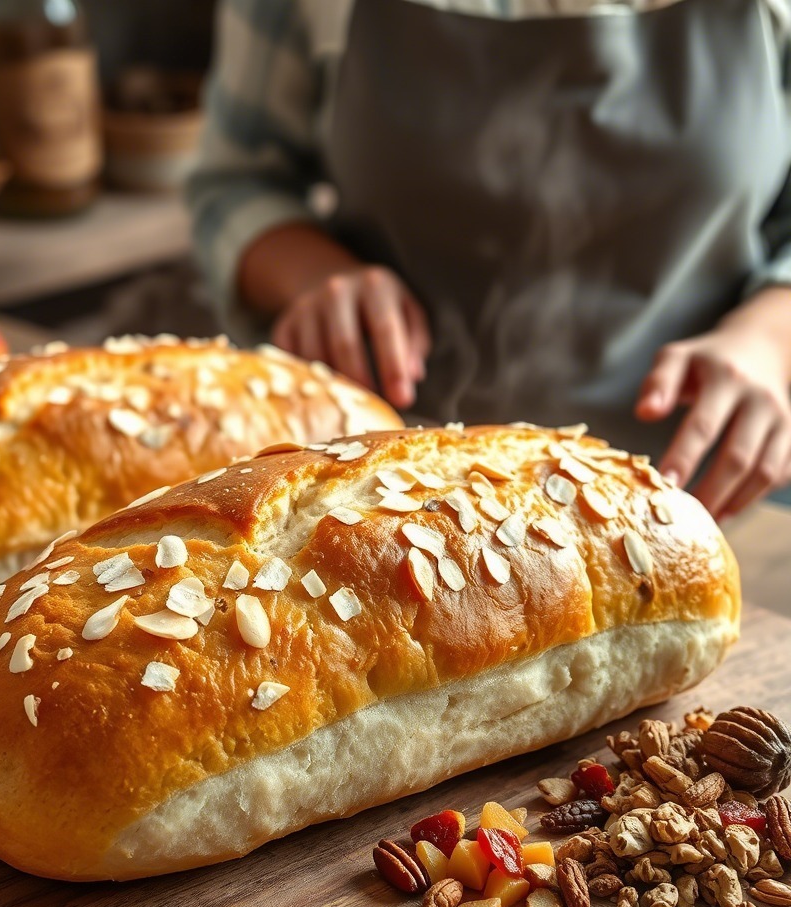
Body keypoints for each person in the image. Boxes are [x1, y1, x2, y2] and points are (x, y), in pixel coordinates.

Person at [186, 0, 791, 519]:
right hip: (385, 498)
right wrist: (314, 275)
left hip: (708, 493)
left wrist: (768, 337)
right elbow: (235, 184)